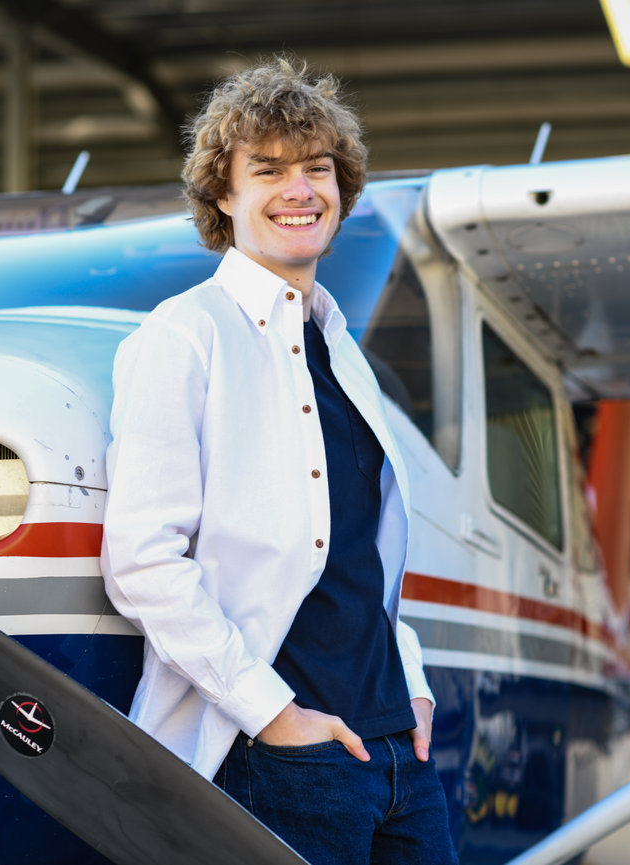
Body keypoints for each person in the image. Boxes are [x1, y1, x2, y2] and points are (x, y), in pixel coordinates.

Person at [100, 56, 457, 865]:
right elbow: (143, 560)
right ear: (223, 197)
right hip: (280, 754)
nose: (299, 189)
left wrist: (415, 684)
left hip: (396, 750)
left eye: (317, 169)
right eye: (268, 170)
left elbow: (364, 555)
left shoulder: (339, 347)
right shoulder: (182, 334)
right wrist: (273, 715)